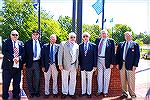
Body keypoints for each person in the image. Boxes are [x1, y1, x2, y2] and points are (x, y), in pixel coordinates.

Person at [116, 31, 140, 99]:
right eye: (126, 35)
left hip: (131, 65)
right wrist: (117, 63)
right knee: (123, 79)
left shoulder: (135, 44)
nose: (127, 37)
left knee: (131, 80)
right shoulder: (121, 44)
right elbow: (117, 54)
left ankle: (133, 95)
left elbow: (137, 56)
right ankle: (124, 93)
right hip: (122, 64)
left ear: (131, 36)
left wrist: (135, 65)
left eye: (128, 35)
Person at [2, 30, 25, 100]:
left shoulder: (21, 43)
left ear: (18, 36)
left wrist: (19, 58)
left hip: (17, 67)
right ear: (10, 35)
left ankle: (15, 94)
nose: (15, 36)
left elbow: (23, 53)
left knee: (17, 82)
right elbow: (4, 52)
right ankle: (5, 96)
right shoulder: (5, 42)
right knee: (6, 83)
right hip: (7, 67)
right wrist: (13, 58)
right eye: (13, 34)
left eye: (16, 35)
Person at [58, 32, 79, 99]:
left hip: (73, 65)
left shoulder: (77, 45)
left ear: (75, 38)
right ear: (68, 37)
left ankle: (71, 93)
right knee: (64, 79)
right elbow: (60, 55)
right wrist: (60, 64)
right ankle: (64, 92)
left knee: (73, 80)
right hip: (65, 65)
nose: (72, 38)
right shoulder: (63, 44)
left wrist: (77, 65)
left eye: (74, 37)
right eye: (71, 37)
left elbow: (77, 56)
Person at [95, 30, 115, 97]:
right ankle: (99, 91)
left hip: (107, 61)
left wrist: (112, 63)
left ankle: (105, 91)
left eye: (104, 33)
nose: (103, 35)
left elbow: (113, 53)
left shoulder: (111, 41)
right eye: (102, 33)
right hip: (99, 59)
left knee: (106, 76)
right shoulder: (97, 40)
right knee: (99, 76)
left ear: (107, 34)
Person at [24, 30, 44, 98]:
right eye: (34, 34)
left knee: (37, 78)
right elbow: (24, 54)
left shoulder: (41, 43)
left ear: (38, 35)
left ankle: (36, 91)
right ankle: (31, 92)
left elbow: (43, 55)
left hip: (37, 63)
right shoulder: (27, 43)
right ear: (32, 35)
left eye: (36, 34)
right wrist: (24, 63)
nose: (35, 35)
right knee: (29, 78)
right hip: (29, 63)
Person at [79, 32, 97, 98]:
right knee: (83, 80)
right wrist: (79, 65)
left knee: (89, 80)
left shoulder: (93, 45)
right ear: (82, 38)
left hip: (90, 66)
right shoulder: (80, 45)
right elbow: (79, 56)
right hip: (82, 66)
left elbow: (95, 56)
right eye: (84, 36)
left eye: (86, 36)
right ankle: (83, 92)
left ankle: (89, 93)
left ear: (89, 37)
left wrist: (95, 66)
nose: (85, 37)